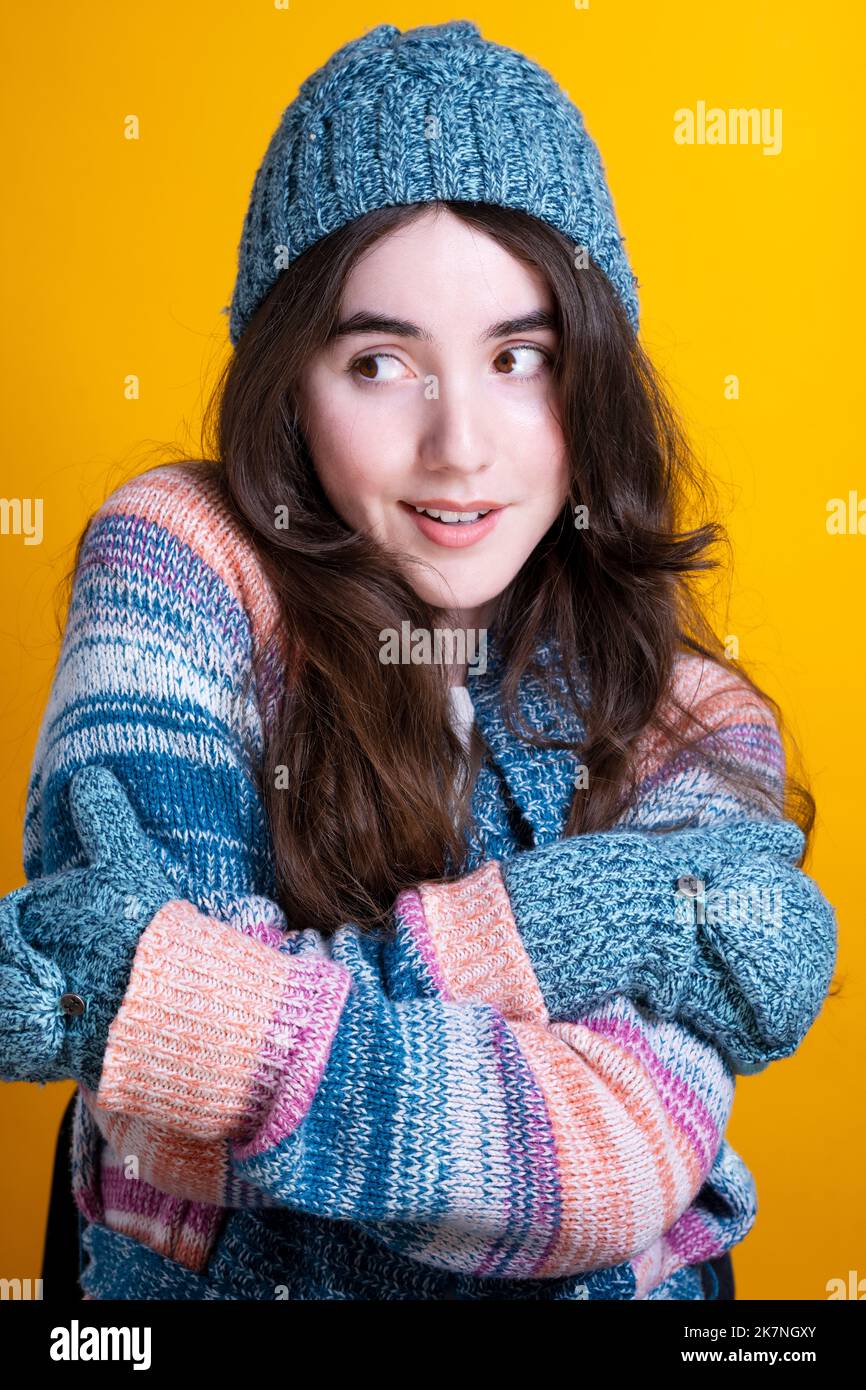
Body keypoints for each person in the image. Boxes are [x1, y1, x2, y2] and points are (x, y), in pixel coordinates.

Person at [0, 20, 837, 1301]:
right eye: (380, 361)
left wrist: (189, 1015)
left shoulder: (690, 720)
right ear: (289, 381)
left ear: (593, 373)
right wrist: (601, 924)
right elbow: (162, 1125)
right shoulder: (180, 560)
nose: (459, 446)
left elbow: (606, 1171)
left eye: (520, 358)